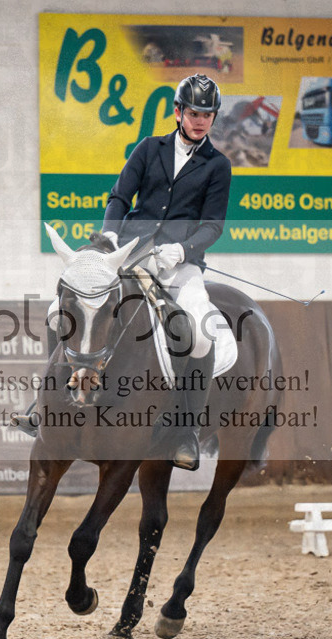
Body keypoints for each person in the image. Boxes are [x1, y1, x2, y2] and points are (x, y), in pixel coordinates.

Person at [100, 73, 231, 470]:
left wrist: (183, 249)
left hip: (180, 265)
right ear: (178, 112)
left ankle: (186, 431)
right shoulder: (149, 148)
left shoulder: (218, 165)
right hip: (131, 254)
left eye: (207, 115)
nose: (200, 121)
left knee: (201, 335)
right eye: (193, 113)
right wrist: (110, 234)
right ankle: (46, 404)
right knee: (76, 306)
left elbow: (213, 226)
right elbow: (120, 196)